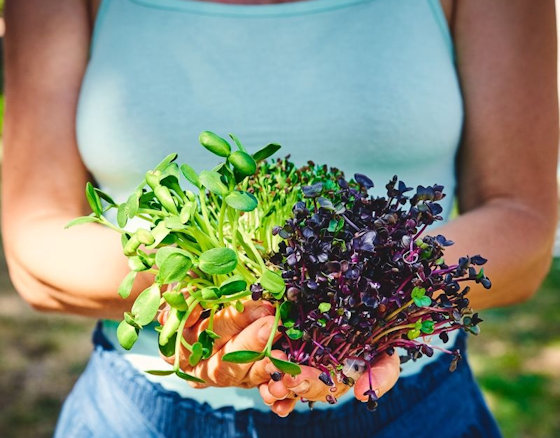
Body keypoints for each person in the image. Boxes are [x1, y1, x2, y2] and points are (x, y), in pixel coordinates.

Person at [2, 0, 557, 436]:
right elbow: (35, 243)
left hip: (415, 416)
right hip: (140, 419)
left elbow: (523, 221)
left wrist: (354, 302)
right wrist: (216, 299)